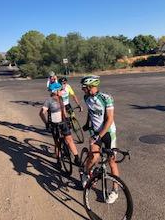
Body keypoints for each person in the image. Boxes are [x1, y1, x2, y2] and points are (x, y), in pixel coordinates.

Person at [80, 75, 119, 204]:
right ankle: (86, 173)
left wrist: (99, 136)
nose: (82, 89)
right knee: (94, 157)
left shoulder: (106, 98)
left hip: (108, 133)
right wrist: (87, 123)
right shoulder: (86, 98)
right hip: (95, 132)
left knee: (111, 162)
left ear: (91, 87)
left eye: (84, 87)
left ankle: (115, 191)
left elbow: (109, 119)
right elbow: (90, 112)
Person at [39, 82, 80, 167]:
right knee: (57, 143)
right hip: (54, 124)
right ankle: (58, 160)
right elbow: (41, 113)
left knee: (69, 139)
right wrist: (46, 123)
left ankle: (76, 158)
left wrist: (66, 119)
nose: (62, 91)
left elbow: (63, 109)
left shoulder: (61, 98)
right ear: (55, 91)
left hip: (63, 122)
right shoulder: (49, 101)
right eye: (60, 90)